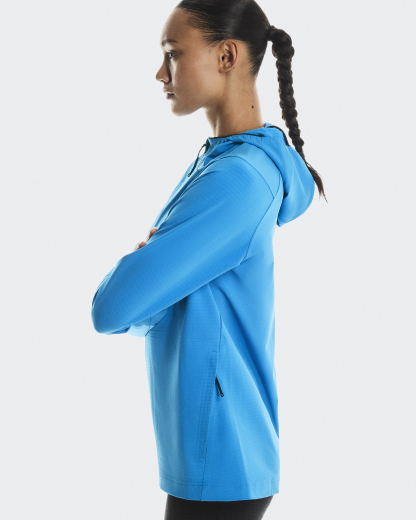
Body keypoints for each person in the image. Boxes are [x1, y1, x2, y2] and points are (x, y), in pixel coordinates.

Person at [91, 0, 327, 518]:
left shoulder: (235, 180)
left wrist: (145, 262)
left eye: (173, 54)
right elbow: (147, 306)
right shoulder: (222, 161)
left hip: (220, 456)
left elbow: (111, 309)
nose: (161, 74)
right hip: (217, 451)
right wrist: (151, 273)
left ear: (226, 56)